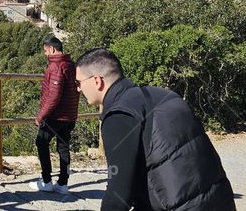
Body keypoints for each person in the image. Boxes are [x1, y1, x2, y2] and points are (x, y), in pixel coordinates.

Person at [75, 48, 236, 211]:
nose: (78, 89)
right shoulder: (164, 95)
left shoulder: (119, 114)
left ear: (97, 81)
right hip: (220, 200)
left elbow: (119, 195)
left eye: (78, 83)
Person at [30, 36, 79, 195]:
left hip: (56, 116)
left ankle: (46, 181)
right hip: (70, 115)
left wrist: (41, 115)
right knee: (63, 146)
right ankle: (63, 184)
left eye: (45, 51)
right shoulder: (71, 65)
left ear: (51, 49)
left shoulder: (56, 67)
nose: (45, 54)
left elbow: (54, 95)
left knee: (41, 142)